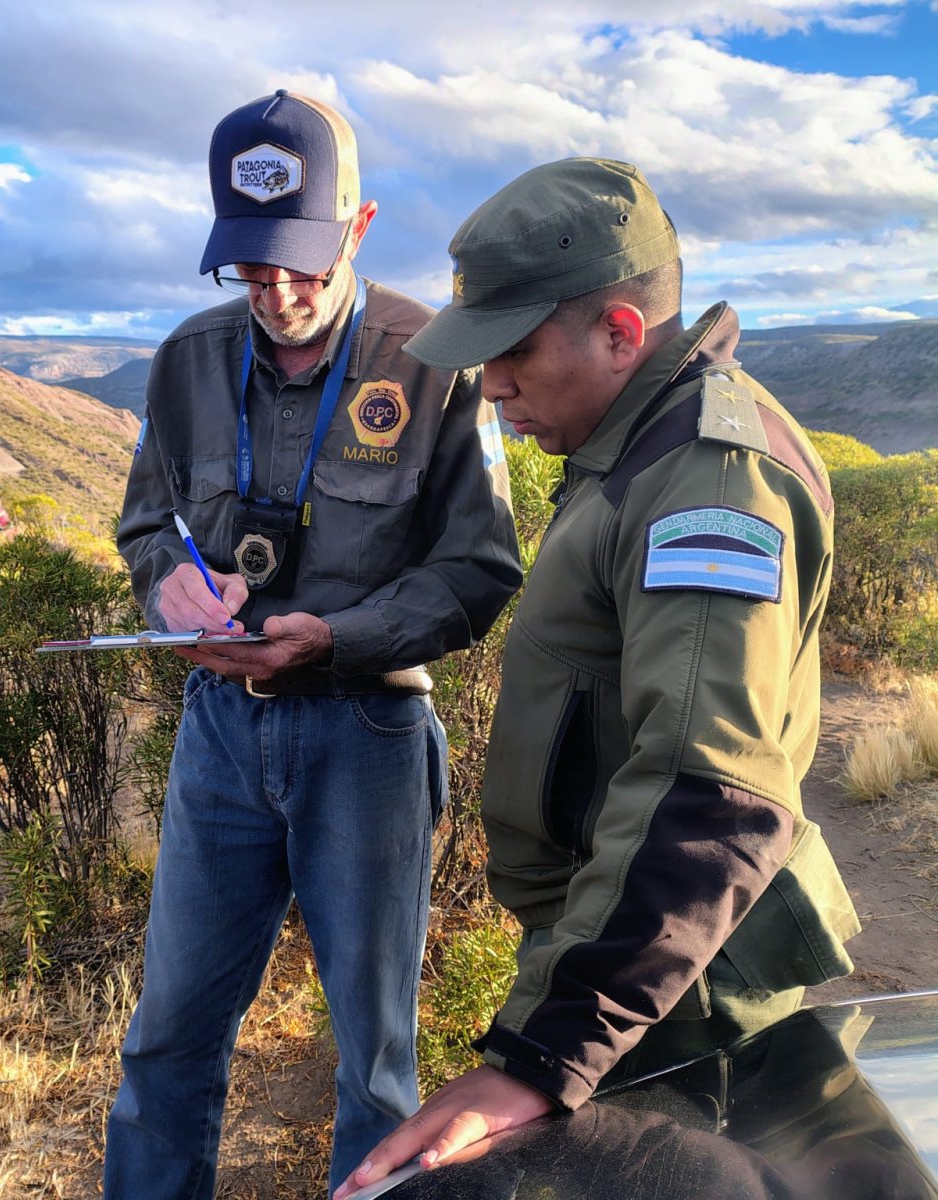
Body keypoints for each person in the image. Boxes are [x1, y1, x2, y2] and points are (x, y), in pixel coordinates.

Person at [335, 156, 861, 1198]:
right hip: (647, 974)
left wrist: (541, 1057)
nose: (492, 387)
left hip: (684, 1001)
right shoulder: (635, 447)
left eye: (515, 354)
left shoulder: (707, 478)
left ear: (621, 334)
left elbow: (711, 793)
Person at [104, 90, 523, 1198]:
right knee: (166, 1036)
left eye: (301, 260)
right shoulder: (187, 361)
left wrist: (333, 637)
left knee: (376, 1065)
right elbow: (146, 521)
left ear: (360, 223)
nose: (277, 293)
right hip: (222, 740)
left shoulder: (438, 363)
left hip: (370, 739)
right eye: (248, 268)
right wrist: (170, 588)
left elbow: (483, 570)